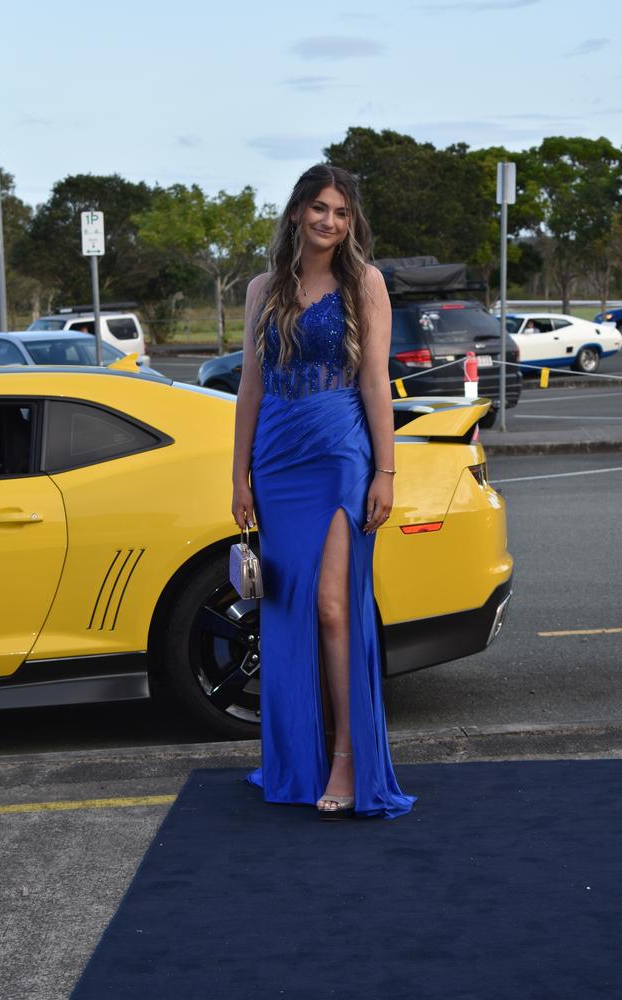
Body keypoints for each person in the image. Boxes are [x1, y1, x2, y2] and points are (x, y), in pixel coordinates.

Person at [231, 164, 417, 821]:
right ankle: (297, 759)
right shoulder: (262, 288)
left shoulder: (364, 284)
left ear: (350, 222)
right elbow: (250, 386)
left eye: (340, 211)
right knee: (288, 613)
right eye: (318, 208)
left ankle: (347, 756)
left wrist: (385, 472)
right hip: (278, 458)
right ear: (295, 213)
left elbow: (374, 384)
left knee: (334, 607)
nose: (328, 221)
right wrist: (239, 475)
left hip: (340, 451)